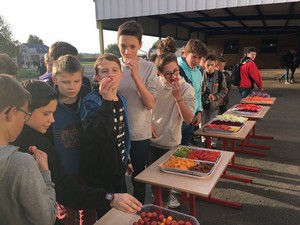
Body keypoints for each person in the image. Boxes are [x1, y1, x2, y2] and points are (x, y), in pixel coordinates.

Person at [12, 79, 141, 224]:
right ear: (25, 109)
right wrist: (111, 198)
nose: (52, 119)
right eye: (46, 113)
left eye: (53, 113)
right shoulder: (38, 145)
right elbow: (66, 191)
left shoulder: (16, 137)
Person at [80, 53, 134, 218]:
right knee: (105, 215)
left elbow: (122, 132)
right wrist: (106, 100)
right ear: (96, 77)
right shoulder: (91, 101)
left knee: (121, 213)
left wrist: (127, 158)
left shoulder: (122, 99)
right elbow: (97, 135)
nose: (110, 75)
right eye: (104, 71)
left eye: (115, 70)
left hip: (118, 166)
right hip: (100, 171)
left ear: (121, 74)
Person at [0, 74, 56, 225]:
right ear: (12, 113)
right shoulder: (21, 164)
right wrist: (45, 173)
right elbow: (45, 219)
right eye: (25, 114)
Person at [49, 55, 96, 225]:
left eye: (76, 81)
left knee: (88, 211)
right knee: (65, 216)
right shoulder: (49, 106)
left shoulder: (91, 101)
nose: (72, 86)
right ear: (55, 79)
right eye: (66, 82)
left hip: (87, 169)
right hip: (62, 172)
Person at [117, 20, 158, 204]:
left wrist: (135, 76)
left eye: (132, 46)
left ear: (140, 45)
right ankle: (120, 214)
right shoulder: (113, 66)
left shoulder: (149, 67)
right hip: (116, 132)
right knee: (117, 177)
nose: (127, 52)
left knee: (138, 178)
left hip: (139, 132)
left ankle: (138, 212)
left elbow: (149, 103)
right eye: (122, 46)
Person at [149, 53, 195, 208]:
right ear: (159, 73)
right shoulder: (154, 83)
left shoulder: (187, 88)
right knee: (153, 180)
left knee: (166, 182)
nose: (174, 76)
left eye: (176, 71)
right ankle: (157, 205)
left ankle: (164, 208)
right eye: (168, 73)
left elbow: (189, 119)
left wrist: (178, 97)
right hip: (150, 140)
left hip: (170, 141)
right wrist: (148, 122)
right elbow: (144, 105)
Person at [177, 39, 209, 146]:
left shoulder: (199, 71)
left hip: (191, 118)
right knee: (172, 153)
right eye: (194, 56)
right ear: (185, 54)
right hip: (177, 119)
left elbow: (198, 93)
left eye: (199, 58)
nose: (196, 61)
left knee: (184, 149)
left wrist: (199, 111)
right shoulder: (175, 68)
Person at [201, 54, 228, 147]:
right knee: (203, 124)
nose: (210, 67)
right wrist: (200, 93)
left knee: (213, 123)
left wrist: (216, 97)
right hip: (202, 105)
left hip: (214, 104)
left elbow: (224, 90)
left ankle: (213, 143)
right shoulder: (200, 73)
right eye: (208, 65)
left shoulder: (220, 75)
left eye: (212, 65)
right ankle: (204, 142)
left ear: (215, 65)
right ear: (204, 64)